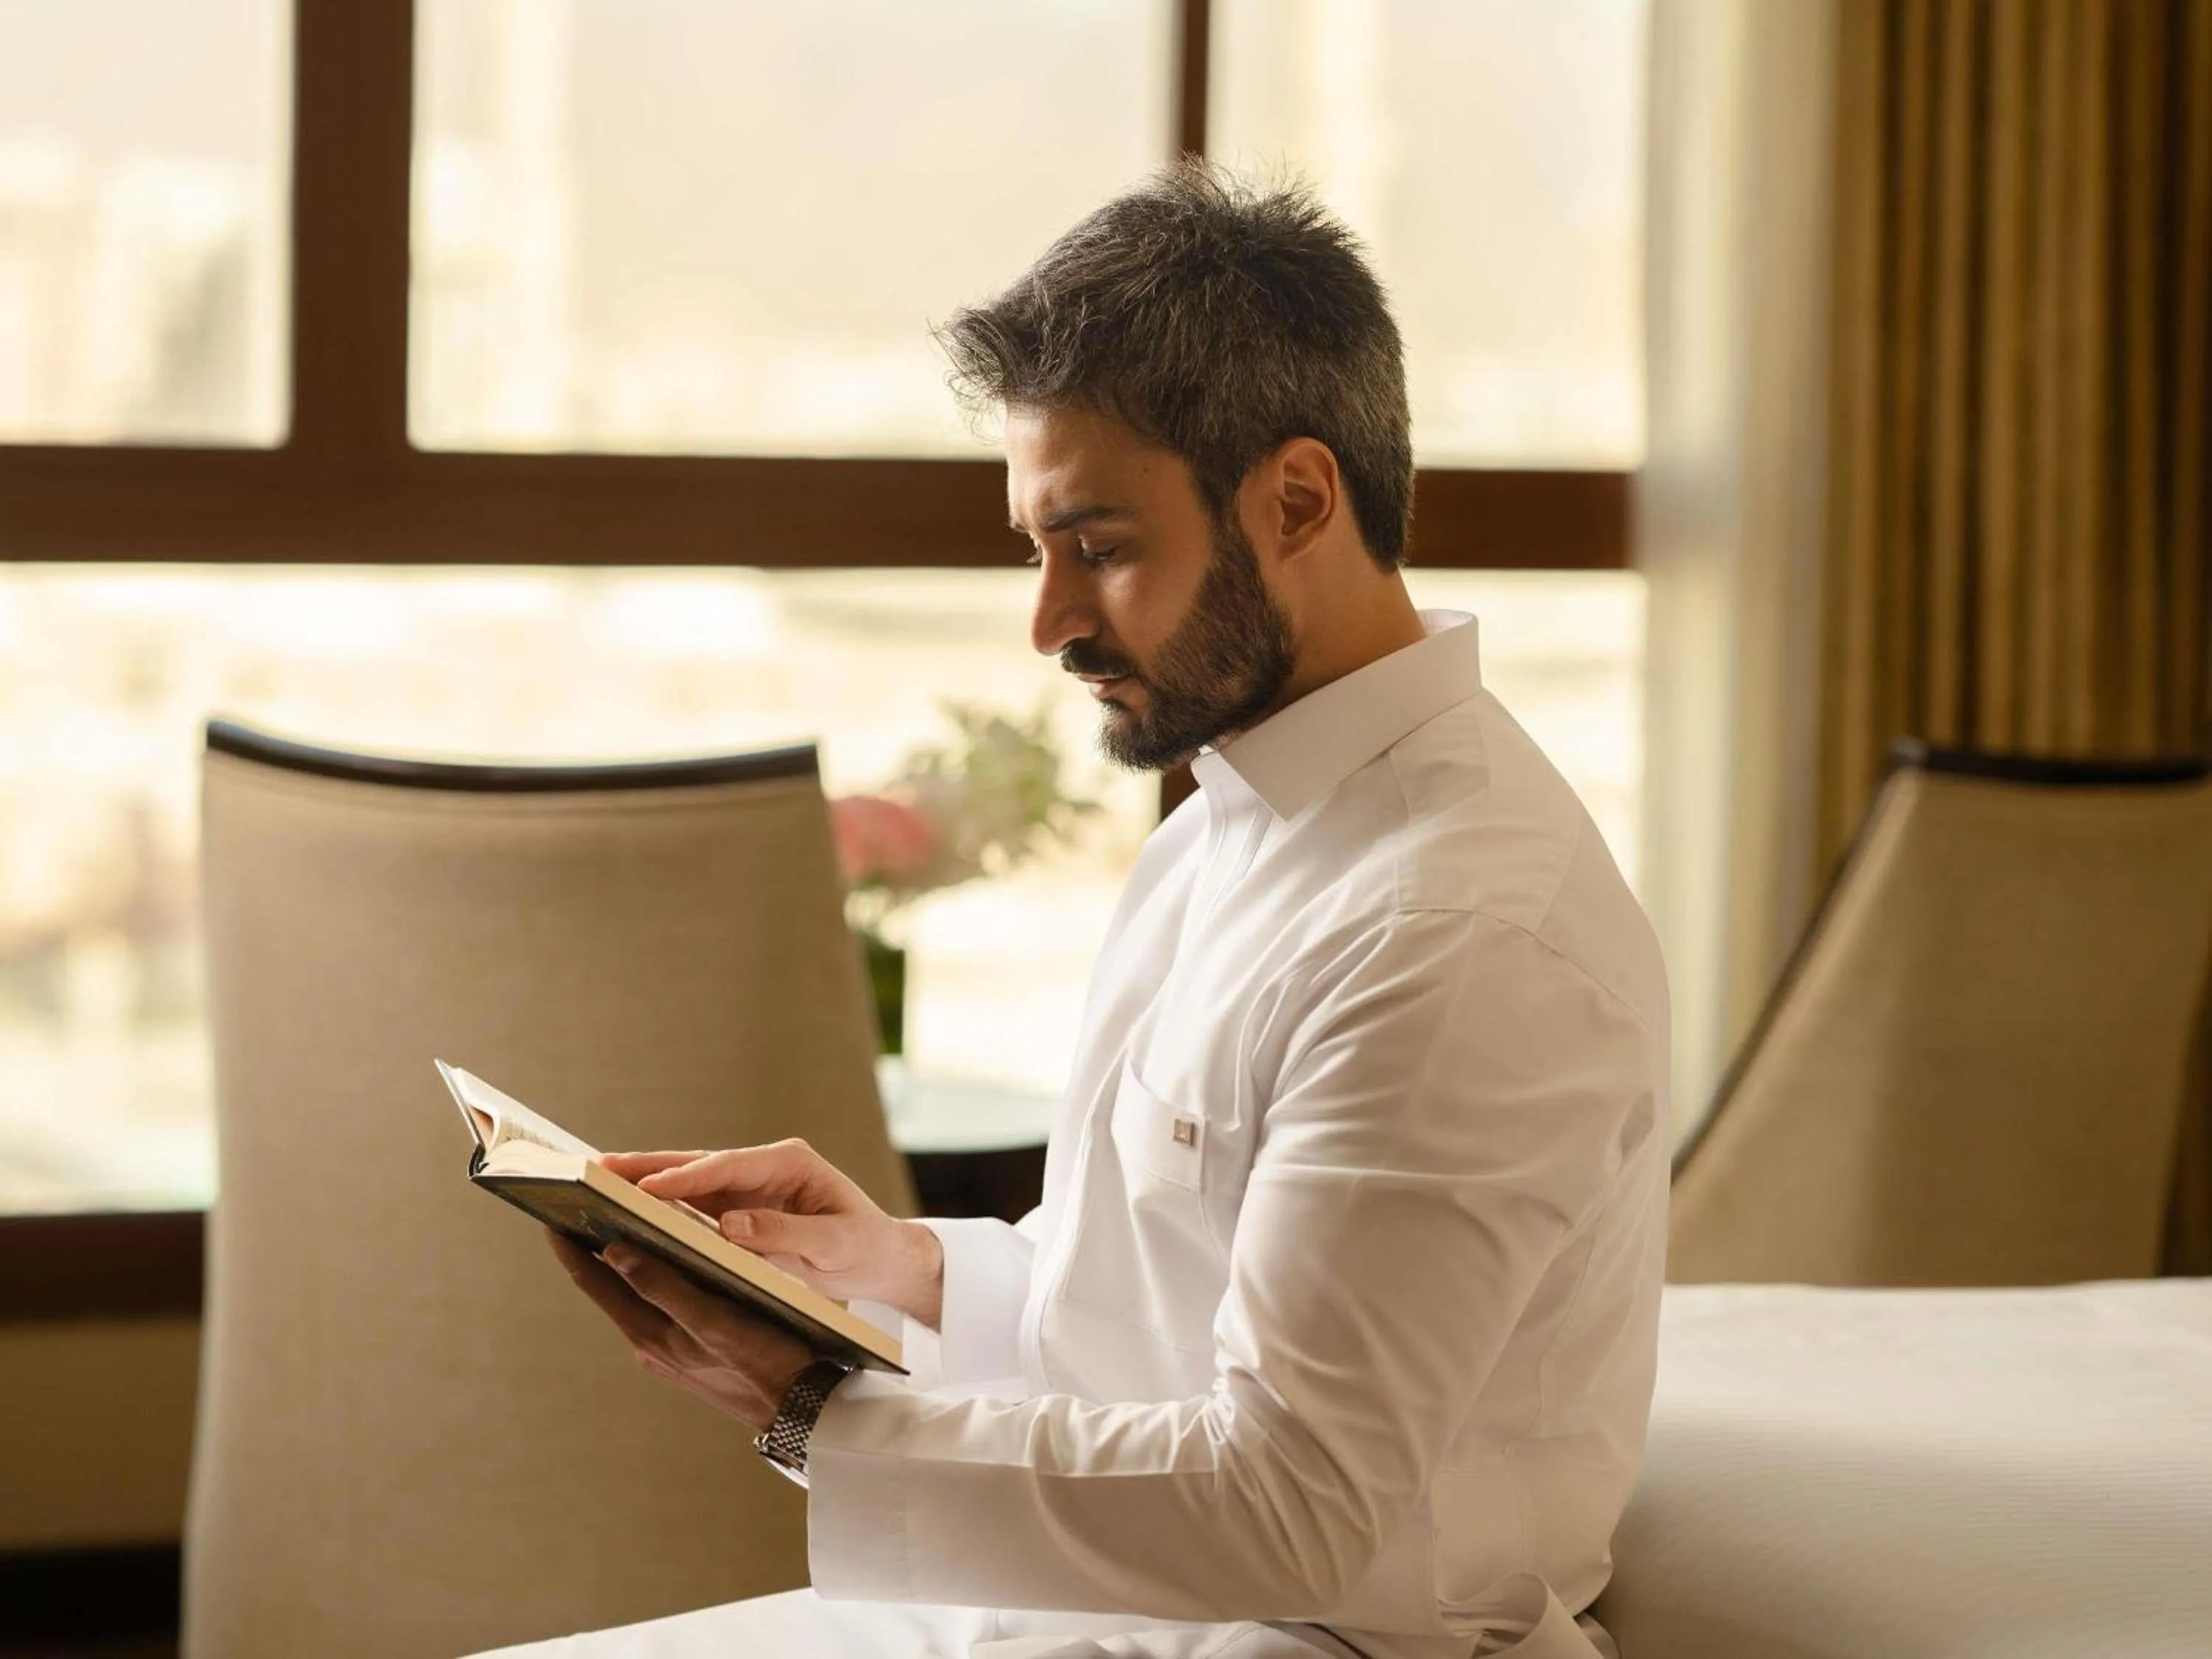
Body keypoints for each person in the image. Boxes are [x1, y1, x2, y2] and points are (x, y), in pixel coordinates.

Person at [479, 161, 1669, 1659]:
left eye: (1099, 548)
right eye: (1037, 550)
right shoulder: (1236, 819)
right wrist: (897, 1267)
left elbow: (1293, 1510)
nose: (1048, 624)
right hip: (1101, 1614)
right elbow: (1171, 1303)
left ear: (1296, 499)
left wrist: (805, 1412)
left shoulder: (1457, 936)